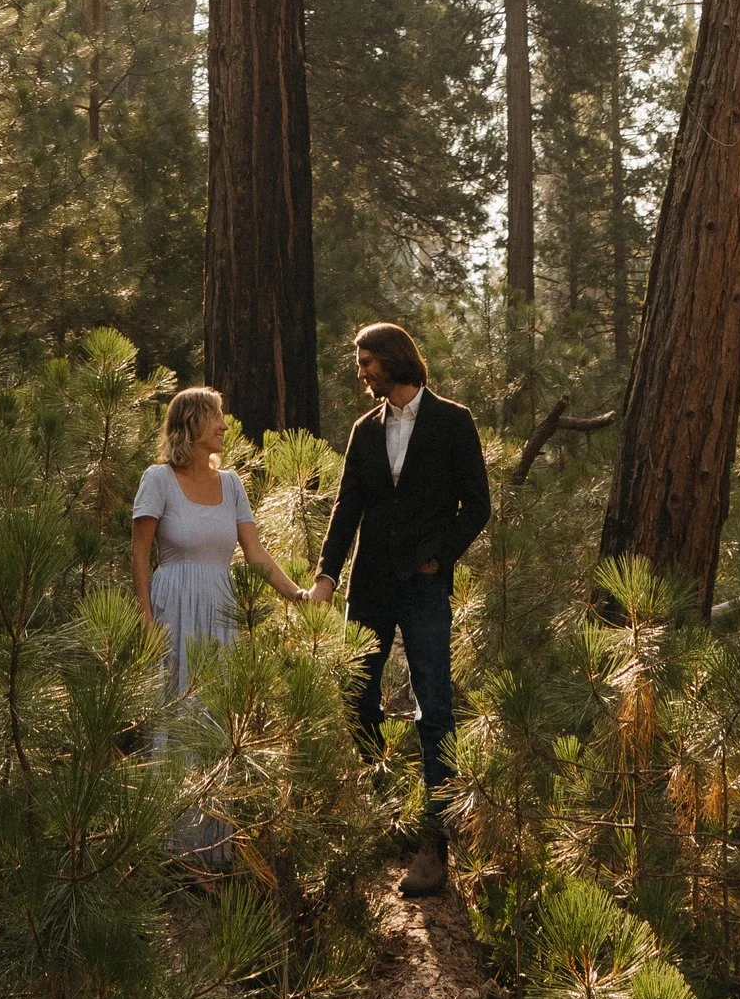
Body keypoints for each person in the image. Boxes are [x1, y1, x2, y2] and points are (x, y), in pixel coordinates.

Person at [309, 321, 491, 897]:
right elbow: (346, 507)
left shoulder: (454, 421)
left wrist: (438, 557)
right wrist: (326, 574)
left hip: (425, 587)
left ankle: (434, 844)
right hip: (369, 586)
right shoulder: (364, 429)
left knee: (434, 708)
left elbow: (477, 506)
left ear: (393, 358)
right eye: (360, 362)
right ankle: (386, 804)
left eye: (367, 361)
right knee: (356, 697)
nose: (361, 371)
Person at [132, 384, 307, 860]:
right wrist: (145, 621)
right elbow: (140, 554)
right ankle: (170, 848)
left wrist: (297, 594)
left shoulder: (231, 485)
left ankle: (213, 850)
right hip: (173, 607)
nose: (225, 426)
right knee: (176, 713)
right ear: (192, 423)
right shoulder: (158, 479)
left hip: (221, 609)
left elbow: (255, 554)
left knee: (214, 716)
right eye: (217, 416)